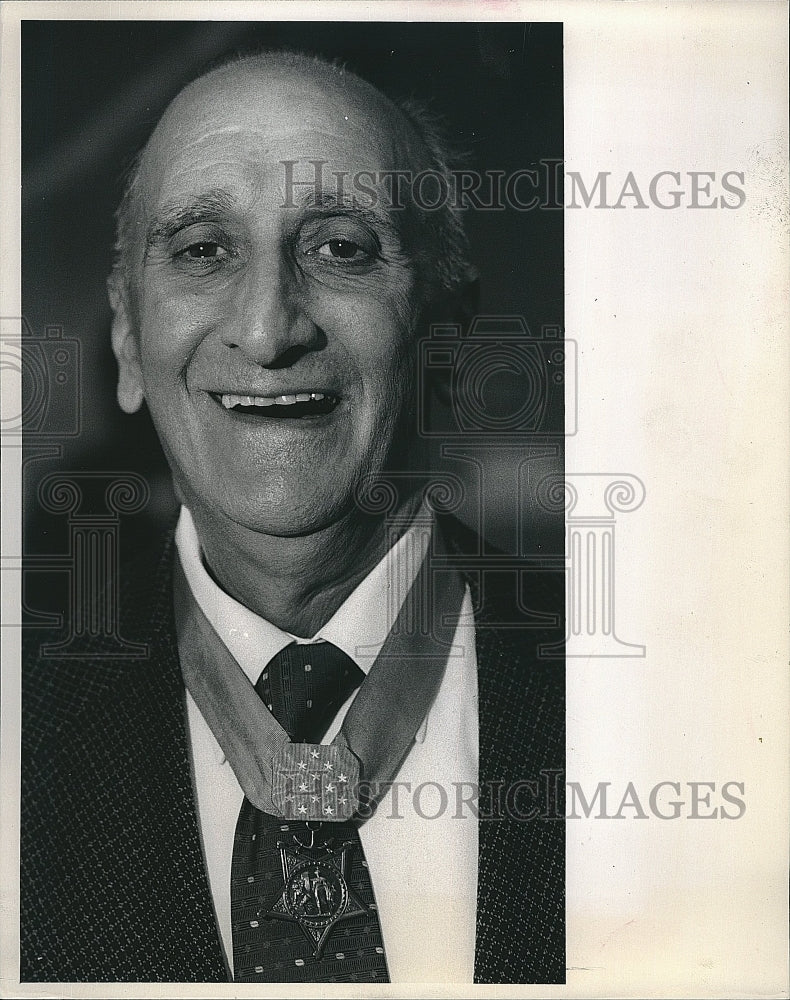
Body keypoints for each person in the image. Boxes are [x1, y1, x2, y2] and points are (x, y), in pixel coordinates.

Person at [21, 50, 564, 984]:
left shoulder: (653, 695)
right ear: (125, 336)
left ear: (447, 332)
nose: (269, 332)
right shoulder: (23, 719)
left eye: (341, 248)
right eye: (202, 250)